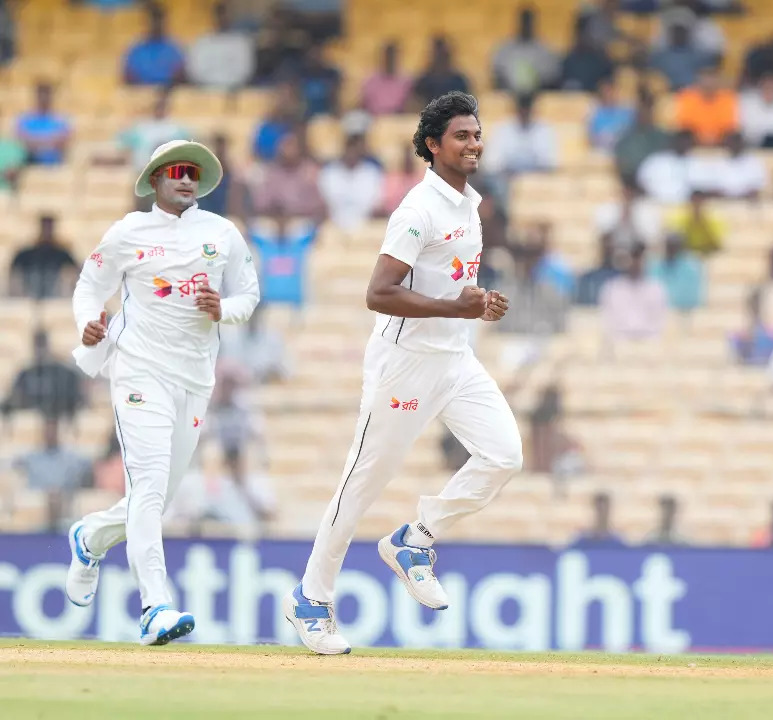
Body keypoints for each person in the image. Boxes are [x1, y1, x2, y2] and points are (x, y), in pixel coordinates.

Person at [286, 93, 520, 656]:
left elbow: (449, 284)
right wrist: (454, 308)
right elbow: (379, 293)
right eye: (461, 136)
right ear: (434, 146)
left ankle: (414, 539)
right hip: (406, 365)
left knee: (504, 455)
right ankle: (310, 601)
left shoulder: (469, 204)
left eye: (477, 134)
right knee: (361, 485)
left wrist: (476, 303)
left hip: (455, 358)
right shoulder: (417, 210)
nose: (473, 143)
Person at [63, 140, 260, 646]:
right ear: (155, 179)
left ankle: (90, 538)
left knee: (156, 498)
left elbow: (249, 294)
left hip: (195, 379)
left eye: (193, 172)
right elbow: (88, 288)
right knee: (149, 488)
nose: (187, 179)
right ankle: (155, 606)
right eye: (176, 171)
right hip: (138, 370)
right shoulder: (129, 232)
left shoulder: (221, 233)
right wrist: (89, 324)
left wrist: (224, 309)